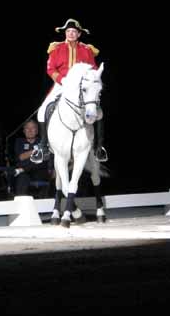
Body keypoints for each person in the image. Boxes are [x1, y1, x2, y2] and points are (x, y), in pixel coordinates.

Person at [35, 18, 107, 161]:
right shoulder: (57, 48)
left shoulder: (87, 50)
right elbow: (50, 68)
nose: (71, 34)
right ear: (65, 33)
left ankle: (99, 148)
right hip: (62, 84)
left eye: (74, 31)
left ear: (79, 34)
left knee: (98, 112)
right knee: (42, 110)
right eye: (68, 31)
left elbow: (93, 69)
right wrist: (62, 80)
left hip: (81, 87)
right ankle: (43, 147)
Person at [10, 119, 51, 197]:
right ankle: (21, 203)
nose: (30, 130)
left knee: (41, 161)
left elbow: (44, 158)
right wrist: (37, 150)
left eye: (33, 128)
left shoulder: (43, 141)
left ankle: (23, 169)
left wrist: (30, 154)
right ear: (24, 131)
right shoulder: (19, 141)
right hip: (24, 173)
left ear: (37, 131)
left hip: (39, 172)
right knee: (22, 178)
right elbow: (21, 157)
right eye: (27, 128)